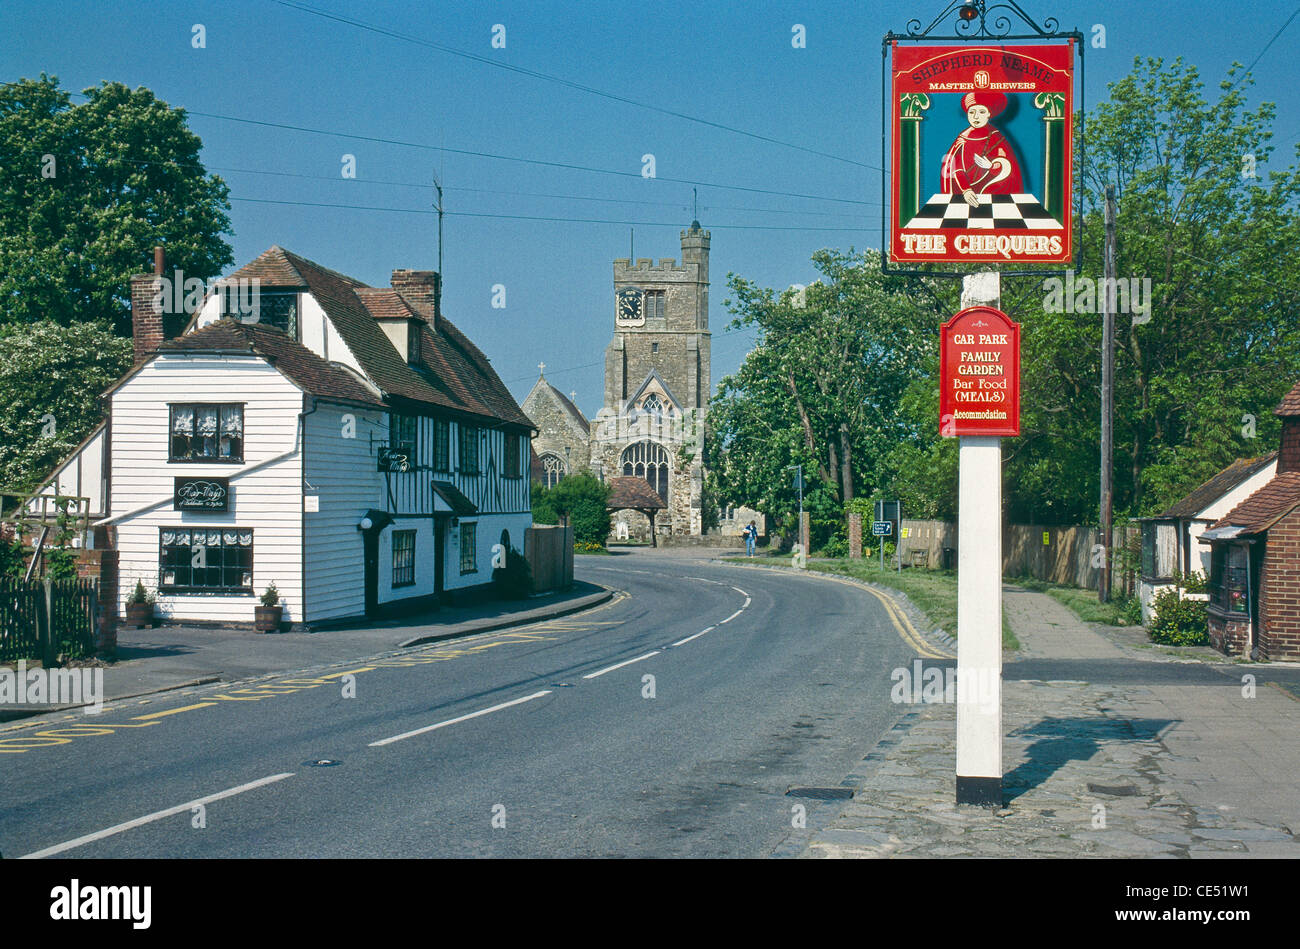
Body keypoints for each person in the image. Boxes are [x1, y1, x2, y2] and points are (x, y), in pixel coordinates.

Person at [940, 91, 1025, 208]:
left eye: (981, 112)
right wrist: (966, 190)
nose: (976, 117)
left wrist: (991, 166)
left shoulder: (996, 137)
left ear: (988, 114)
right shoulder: (962, 138)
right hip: (965, 192)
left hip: (993, 192)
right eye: (972, 112)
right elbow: (955, 167)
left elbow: (1008, 166)